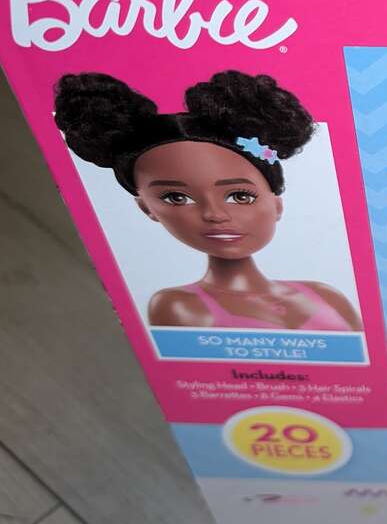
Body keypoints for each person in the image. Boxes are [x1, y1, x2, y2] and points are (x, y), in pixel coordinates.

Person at [54, 71, 362, 331]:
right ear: (146, 207)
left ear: (276, 203)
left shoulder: (326, 296)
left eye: (240, 196)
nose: (214, 214)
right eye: (177, 197)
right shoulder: (178, 307)